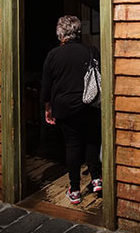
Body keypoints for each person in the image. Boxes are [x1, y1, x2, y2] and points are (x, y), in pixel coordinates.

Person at [41, 15, 102, 205]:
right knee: (92, 141)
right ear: (77, 31)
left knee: (72, 146)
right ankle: (97, 179)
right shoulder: (91, 50)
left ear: (60, 34)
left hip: (65, 107)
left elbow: (46, 86)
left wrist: (47, 107)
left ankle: (75, 190)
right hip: (89, 104)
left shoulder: (53, 55)